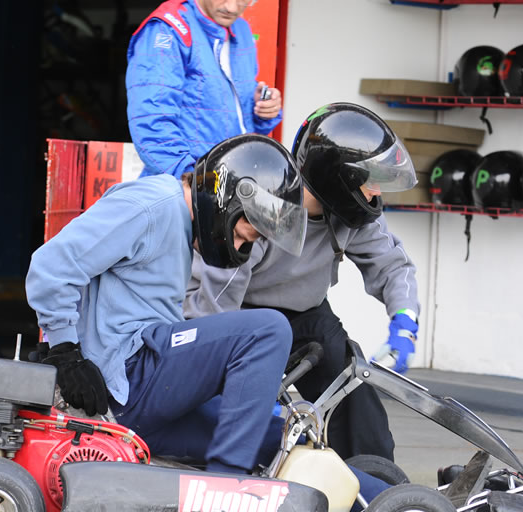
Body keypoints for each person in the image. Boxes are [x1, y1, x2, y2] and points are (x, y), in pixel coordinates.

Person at [26, 134, 306, 474]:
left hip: (147, 394)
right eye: (243, 234)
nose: (242, 244)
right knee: (268, 330)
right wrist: (65, 352)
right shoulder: (153, 204)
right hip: (125, 381)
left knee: (285, 441)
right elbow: (52, 265)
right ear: (227, 201)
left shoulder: (181, 226)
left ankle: (380, 510)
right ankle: (228, 488)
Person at [185, 102, 421, 462]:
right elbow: (216, 302)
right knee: (243, 416)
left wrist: (405, 322)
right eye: (370, 183)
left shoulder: (350, 214)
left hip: (307, 316)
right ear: (337, 178)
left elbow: (393, 266)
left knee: (355, 396)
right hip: (240, 317)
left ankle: (375, 491)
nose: (375, 194)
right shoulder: (265, 208)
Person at [125, 0, 283, 178]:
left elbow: (236, 119)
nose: (231, 8)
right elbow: (152, 119)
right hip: (187, 187)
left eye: (243, 0)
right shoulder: (167, 29)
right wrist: (192, 182)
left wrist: (262, 109)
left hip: (231, 181)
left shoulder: (241, 29)